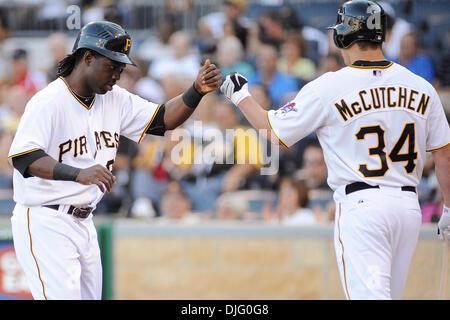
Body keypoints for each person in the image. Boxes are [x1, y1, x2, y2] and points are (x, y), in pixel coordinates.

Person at [221, 0, 450, 300]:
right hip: (408, 208)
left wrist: (240, 97)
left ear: (344, 36)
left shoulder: (329, 86)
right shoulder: (420, 86)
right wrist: (448, 207)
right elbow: (444, 153)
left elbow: (274, 132)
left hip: (362, 206)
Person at [7, 21, 222, 300]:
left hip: (84, 221)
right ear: (88, 57)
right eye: (112, 66)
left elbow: (161, 120)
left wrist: (196, 90)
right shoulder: (48, 101)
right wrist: (77, 173)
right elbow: (25, 158)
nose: (118, 75)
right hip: (46, 219)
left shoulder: (115, 99)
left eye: (121, 69)